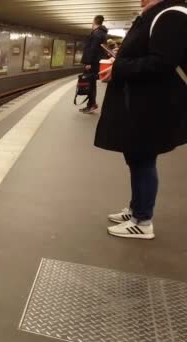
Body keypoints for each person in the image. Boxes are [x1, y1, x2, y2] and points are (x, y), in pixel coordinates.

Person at [95, 0, 187, 239]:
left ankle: (143, 221)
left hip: (152, 106)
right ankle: (137, 209)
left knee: (143, 159)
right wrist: (120, 62)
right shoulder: (157, 14)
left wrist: (120, 69)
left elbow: (163, 62)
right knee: (137, 157)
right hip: (142, 104)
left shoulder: (172, 15)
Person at [80, 15, 108, 113]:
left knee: (90, 84)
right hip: (95, 62)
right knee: (91, 83)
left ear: (94, 21)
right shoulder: (101, 33)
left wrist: (88, 62)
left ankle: (92, 105)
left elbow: (93, 49)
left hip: (92, 63)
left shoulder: (96, 34)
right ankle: (91, 104)